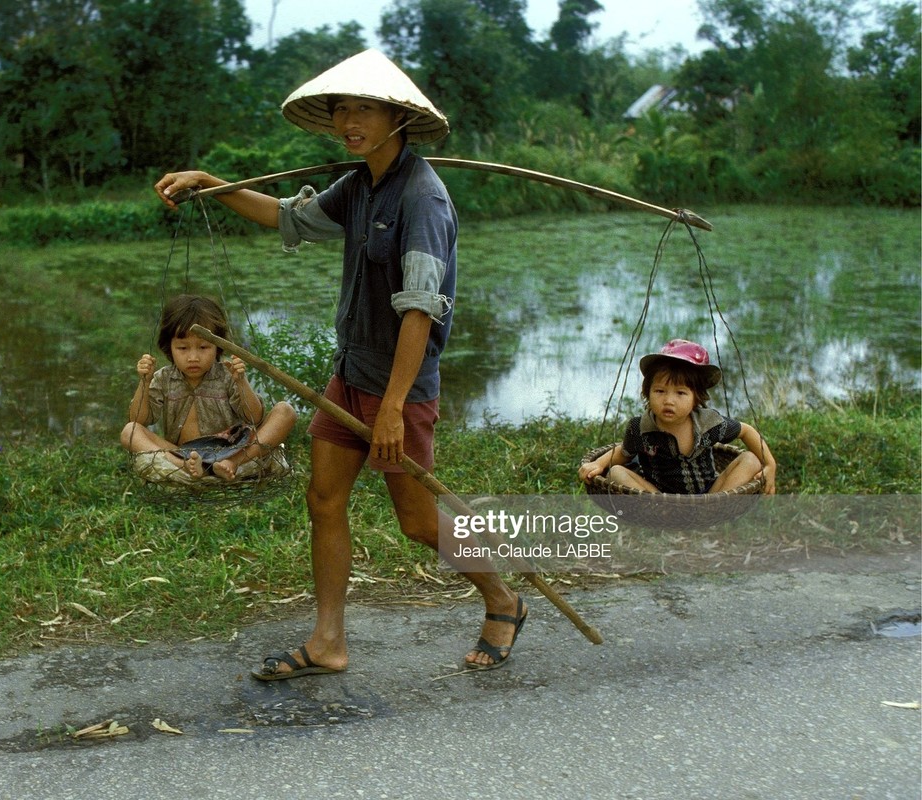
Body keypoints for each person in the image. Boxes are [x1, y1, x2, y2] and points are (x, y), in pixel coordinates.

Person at [154, 49, 525, 678]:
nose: (349, 120)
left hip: (396, 391)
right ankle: (328, 641)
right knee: (323, 500)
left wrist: (392, 410)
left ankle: (503, 598)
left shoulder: (424, 201)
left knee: (414, 519)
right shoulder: (358, 187)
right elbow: (287, 217)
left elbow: (419, 312)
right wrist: (212, 185)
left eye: (364, 108)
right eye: (342, 109)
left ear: (398, 116)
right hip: (349, 377)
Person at [122, 294, 297, 483]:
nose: (193, 357)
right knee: (129, 430)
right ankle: (190, 470)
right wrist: (144, 382)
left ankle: (233, 464)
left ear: (218, 346)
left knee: (285, 411)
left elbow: (254, 418)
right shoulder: (164, 378)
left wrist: (241, 382)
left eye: (203, 347)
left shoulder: (227, 374)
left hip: (231, 450)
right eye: (183, 348)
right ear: (169, 347)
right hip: (183, 456)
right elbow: (138, 420)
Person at [579, 338, 777, 494]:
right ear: (647, 393)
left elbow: (746, 431)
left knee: (751, 459)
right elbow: (624, 453)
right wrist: (598, 464)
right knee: (616, 472)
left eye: (680, 393)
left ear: (695, 398)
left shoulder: (709, 423)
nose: (669, 401)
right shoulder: (640, 427)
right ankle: (668, 513)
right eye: (660, 391)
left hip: (710, 494)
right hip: (658, 496)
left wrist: (770, 465)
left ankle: (705, 511)